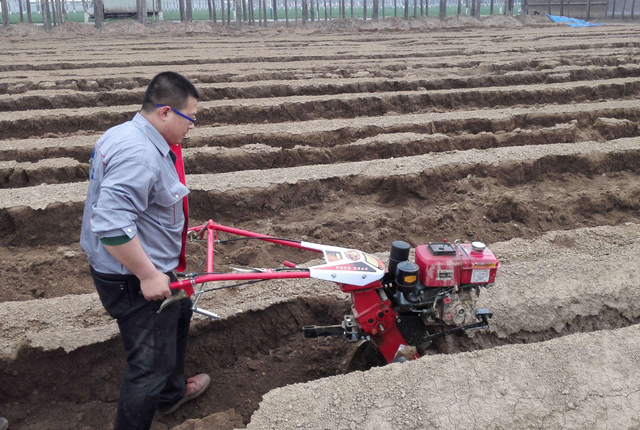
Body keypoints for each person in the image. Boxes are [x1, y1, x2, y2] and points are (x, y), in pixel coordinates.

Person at [80, 71, 210, 429]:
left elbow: (141, 205)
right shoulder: (140, 153)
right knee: (148, 366)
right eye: (190, 118)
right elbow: (110, 224)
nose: (192, 127)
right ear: (166, 112)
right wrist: (149, 274)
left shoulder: (125, 132)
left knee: (179, 313)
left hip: (145, 263)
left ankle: (171, 395)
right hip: (131, 276)